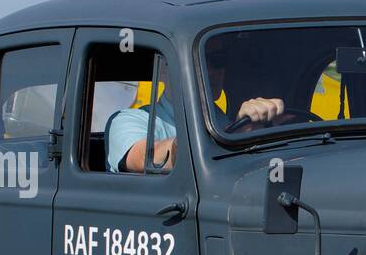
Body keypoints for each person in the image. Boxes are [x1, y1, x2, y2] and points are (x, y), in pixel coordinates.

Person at [106, 60, 285, 173]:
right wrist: (232, 135)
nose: (214, 70)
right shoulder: (126, 120)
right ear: (163, 70)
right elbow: (146, 159)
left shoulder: (222, 121)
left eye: (218, 59)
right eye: (200, 59)